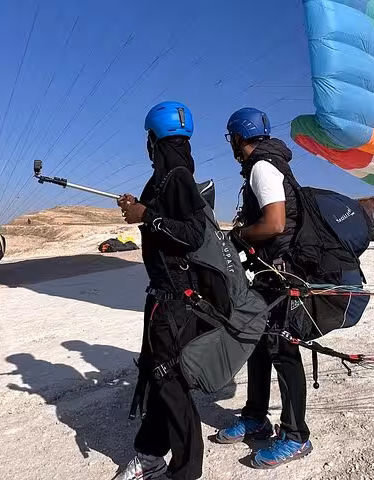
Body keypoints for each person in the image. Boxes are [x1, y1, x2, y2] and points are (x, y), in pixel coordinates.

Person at [113, 102, 207, 480]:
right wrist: (138, 207)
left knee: (171, 382)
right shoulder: (163, 178)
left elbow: (193, 233)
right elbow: (159, 222)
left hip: (177, 302)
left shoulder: (179, 176)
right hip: (162, 298)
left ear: (153, 139)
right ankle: (151, 454)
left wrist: (146, 216)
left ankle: (185, 472)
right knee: (157, 377)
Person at [216, 107, 313, 468]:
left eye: (232, 139)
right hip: (272, 272)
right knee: (256, 340)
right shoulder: (269, 164)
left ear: (239, 137)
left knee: (283, 351)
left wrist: (238, 235)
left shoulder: (262, 167)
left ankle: (295, 435)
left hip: (283, 274)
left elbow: (273, 224)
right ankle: (256, 416)